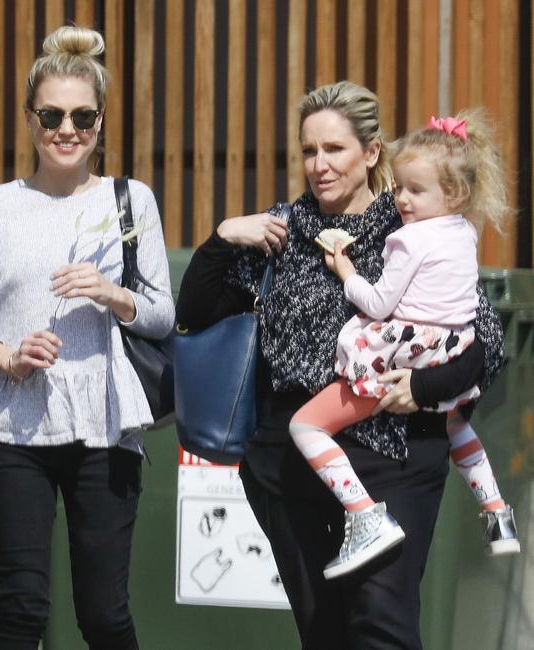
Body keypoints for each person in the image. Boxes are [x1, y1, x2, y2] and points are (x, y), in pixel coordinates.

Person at [175, 81, 505, 649]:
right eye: (309, 151)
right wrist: (224, 238)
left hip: (391, 452)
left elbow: (486, 344)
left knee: (381, 624)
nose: (319, 165)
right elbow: (195, 314)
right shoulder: (281, 230)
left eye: (335, 149)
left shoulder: (412, 224)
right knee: (322, 633)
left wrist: (424, 387)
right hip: (291, 462)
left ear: (371, 152)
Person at [0, 26, 174, 650]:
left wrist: (111, 293)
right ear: (29, 119)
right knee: (20, 607)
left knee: (103, 614)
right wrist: (6, 355)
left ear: (100, 120)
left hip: (103, 420)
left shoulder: (133, 202)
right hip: (13, 422)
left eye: (82, 115)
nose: (66, 129)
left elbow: (161, 315)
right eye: (50, 114)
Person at [289, 110, 519, 580]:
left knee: (306, 426)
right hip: (452, 347)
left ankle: (364, 514)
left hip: (404, 351)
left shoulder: (408, 240)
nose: (401, 199)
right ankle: (495, 511)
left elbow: (378, 302)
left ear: (453, 193)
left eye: (415, 190)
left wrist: (346, 271)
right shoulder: (464, 231)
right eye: (399, 188)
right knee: (455, 423)